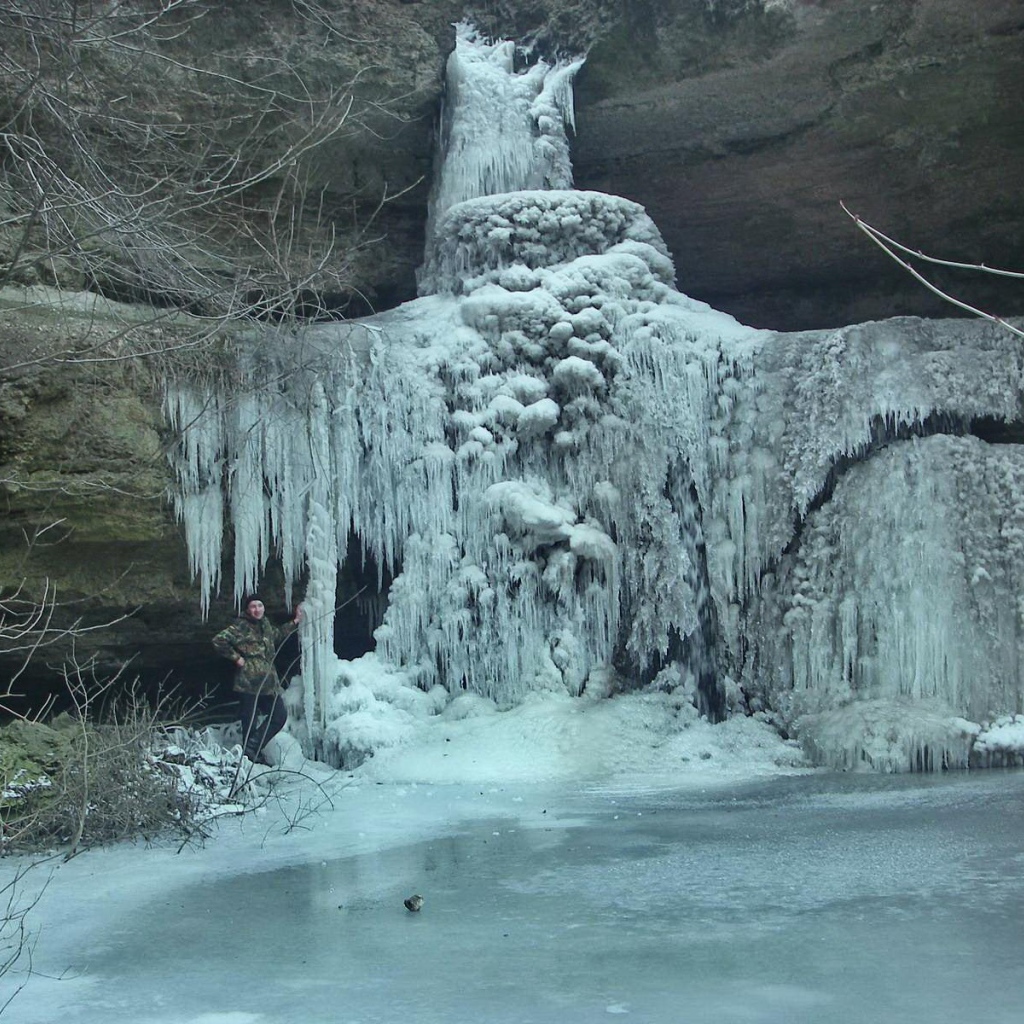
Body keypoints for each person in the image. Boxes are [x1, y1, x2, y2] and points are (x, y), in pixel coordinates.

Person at [212, 595, 302, 764]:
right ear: (247, 609)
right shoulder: (241, 626)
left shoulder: (265, 625)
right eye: (253, 606)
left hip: (268, 682)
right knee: (249, 719)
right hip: (248, 682)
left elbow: (277, 634)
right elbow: (219, 640)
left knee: (279, 716)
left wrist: (296, 621)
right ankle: (248, 757)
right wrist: (237, 658)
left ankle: (253, 746)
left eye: (260, 605)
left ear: (264, 608)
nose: (257, 609)